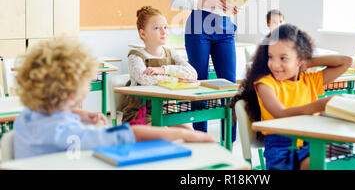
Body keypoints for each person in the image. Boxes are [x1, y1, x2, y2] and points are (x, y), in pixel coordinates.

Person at [13, 38, 214, 159]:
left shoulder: (28, 117)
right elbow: (133, 134)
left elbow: (55, 113)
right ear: (73, 92)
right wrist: (191, 136)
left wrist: (81, 114)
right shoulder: (71, 135)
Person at [231, 24, 352, 169]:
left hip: (311, 142)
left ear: (300, 59)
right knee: (315, 163)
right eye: (270, 57)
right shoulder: (265, 84)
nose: (275, 64)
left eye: (283, 58)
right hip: (282, 149)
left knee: (346, 153)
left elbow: (346, 61)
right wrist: (320, 105)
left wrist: (308, 62)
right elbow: (280, 114)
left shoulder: (309, 80)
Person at [170, 0, 240, 141]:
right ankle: (199, 139)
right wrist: (201, 2)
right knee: (199, 83)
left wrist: (235, 6)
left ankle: (228, 141)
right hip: (199, 26)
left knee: (229, 85)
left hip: (225, 27)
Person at [119, 6, 198, 126]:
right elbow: (145, 79)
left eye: (165, 27)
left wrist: (163, 69)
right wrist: (178, 79)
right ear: (143, 33)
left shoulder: (171, 53)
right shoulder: (135, 56)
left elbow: (192, 73)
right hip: (141, 114)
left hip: (168, 111)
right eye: (157, 28)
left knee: (189, 132)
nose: (164, 31)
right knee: (162, 132)